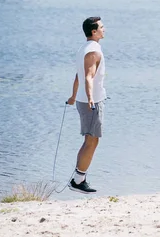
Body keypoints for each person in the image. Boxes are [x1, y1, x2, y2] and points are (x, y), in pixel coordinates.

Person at [66, 17, 106, 194]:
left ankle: (79, 178)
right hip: (91, 102)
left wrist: (74, 96)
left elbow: (78, 75)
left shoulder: (85, 48)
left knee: (92, 139)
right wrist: (90, 98)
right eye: (102, 27)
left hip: (86, 100)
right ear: (94, 32)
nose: (104, 30)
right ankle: (78, 180)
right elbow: (88, 76)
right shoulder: (93, 51)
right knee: (91, 140)